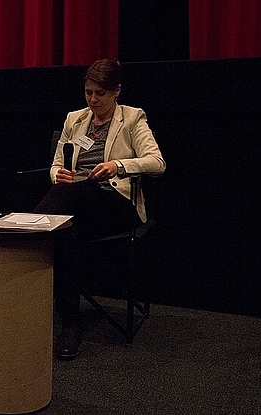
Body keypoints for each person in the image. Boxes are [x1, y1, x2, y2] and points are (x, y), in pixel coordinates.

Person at [34, 58, 166, 360]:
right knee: (67, 230)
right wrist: (59, 174)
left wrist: (117, 166)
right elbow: (56, 165)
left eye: (100, 94)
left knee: (63, 200)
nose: (93, 100)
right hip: (75, 205)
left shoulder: (132, 119)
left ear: (116, 91)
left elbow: (157, 163)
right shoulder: (75, 119)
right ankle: (71, 323)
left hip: (117, 205)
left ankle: (27, 238)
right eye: (88, 93)